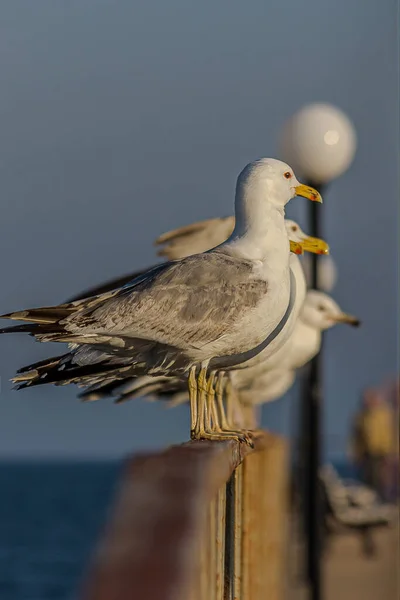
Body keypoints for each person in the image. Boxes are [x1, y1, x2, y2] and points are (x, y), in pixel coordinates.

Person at [351, 388, 396, 500]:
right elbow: (356, 439)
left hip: (384, 454)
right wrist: (356, 455)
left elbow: (393, 435)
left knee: (383, 482)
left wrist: (393, 452)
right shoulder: (361, 417)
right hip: (368, 455)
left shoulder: (386, 415)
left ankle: (385, 502)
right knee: (368, 481)